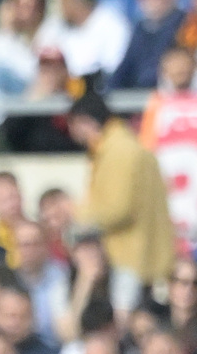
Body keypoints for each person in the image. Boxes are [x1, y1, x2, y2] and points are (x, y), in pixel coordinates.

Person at [66, 91, 176, 298]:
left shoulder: (118, 152)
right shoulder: (125, 146)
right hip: (141, 255)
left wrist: (77, 212)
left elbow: (117, 208)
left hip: (129, 257)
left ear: (84, 121)